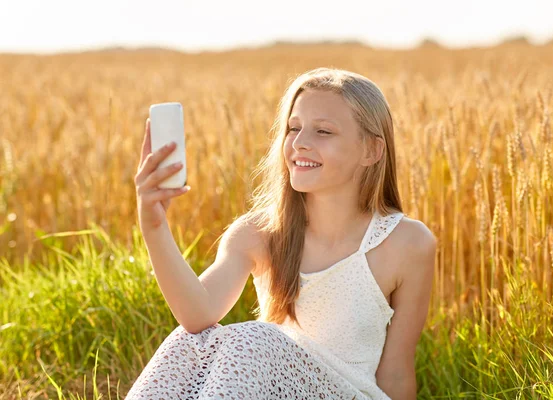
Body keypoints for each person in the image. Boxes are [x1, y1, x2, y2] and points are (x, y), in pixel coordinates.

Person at [127, 67, 437, 400]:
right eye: (294, 128)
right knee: (189, 343)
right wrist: (154, 225)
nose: (300, 143)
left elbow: (396, 373)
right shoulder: (258, 233)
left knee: (257, 339)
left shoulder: (406, 243)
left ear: (371, 151)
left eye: (323, 131)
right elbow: (197, 316)